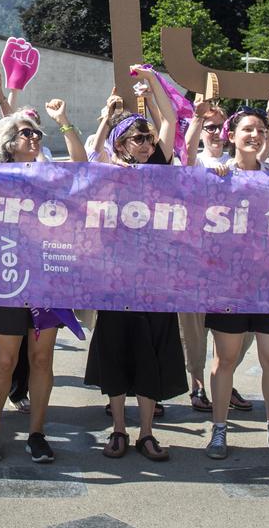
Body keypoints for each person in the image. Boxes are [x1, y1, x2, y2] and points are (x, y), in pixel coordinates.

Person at [0, 99, 87, 464]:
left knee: (41, 360)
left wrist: (64, 122)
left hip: (48, 281)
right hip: (7, 278)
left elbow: (83, 169)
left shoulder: (50, 174)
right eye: (28, 133)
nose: (36, 137)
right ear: (9, 142)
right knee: (4, 360)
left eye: (38, 133)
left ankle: (37, 433)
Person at [86, 70, 188, 462]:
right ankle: (117, 429)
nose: (146, 144)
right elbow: (90, 159)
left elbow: (171, 120)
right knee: (115, 352)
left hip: (155, 280)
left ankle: (146, 432)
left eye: (148, 138)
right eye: (138, 138)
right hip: (115, 280)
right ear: (122, 144)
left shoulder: (160, 166)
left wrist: (154, 81)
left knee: (151, 352)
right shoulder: (109, 175)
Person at [204, 96, 269, 460]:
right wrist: (212, 179)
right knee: (225, 360)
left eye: (261, 131)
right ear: (231, 135)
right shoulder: (216, 175)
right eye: (247, 129)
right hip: (227, 286)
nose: (255, 135)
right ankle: (219, 430)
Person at [180, 98, 265, 415]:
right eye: (209, 126)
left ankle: (223, 381)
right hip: (199, 261)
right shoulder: (199, 163)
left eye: (220, 126)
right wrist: (196, 120)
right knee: (195, 328)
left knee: (241, 332)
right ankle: (198, 384)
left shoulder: (237, 163)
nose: (215, 132)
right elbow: (187, 160)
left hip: (238, 266)